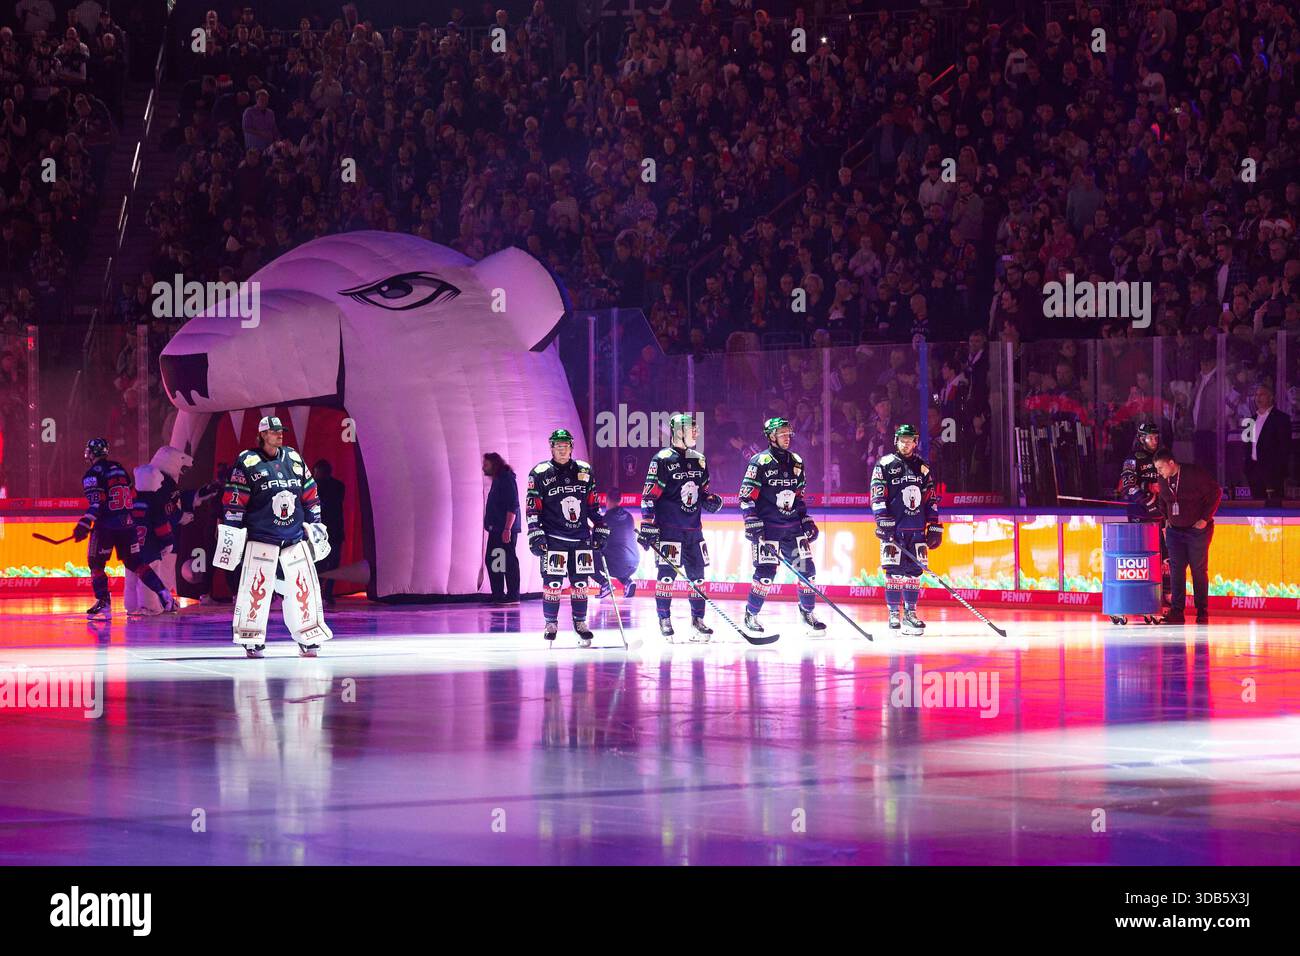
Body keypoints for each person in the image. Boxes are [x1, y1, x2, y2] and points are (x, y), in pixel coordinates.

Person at [213, 416, 333, 658]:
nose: (280, 435)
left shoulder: (295, 459)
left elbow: (310, 494)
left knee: (302, 588)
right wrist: (233, 531)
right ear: (262, 435)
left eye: (281, 431)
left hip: (294, 538)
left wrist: (316, 524)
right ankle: (252, 639)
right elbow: (234, 499)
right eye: (274, 431)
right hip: (261, 539)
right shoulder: (248, 461)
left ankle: (308, 637)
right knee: (256, 589)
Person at [637, 413, 723, 641]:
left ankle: (698, 620)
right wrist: (647, 523)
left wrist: (710, 500)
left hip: (694, 530)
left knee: (698, 578)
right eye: (691, 429)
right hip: (669, 530)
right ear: (677, 432)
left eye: (696, 429)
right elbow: (648, 496)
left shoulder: (699, 459)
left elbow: (702, 492)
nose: (696, 432)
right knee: (666, 577)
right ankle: (664, 619)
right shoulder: (662, 459)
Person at [738, 417, 825, 635]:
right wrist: (750, 520)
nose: (787, 437)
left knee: (808, 571)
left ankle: (807, 613)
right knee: (766, 574)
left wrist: (805, 519)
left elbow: (799, 496)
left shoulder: (796, 461)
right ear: (770, 436)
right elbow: (746, 496)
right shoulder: (760, 461)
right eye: (782, 433)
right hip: (769, 530)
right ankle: (751, 614)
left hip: (792, 528)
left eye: (788, 433)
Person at [75, 437, 178, 618]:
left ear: (92, 453)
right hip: (127, 525)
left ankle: (104, 602)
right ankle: (164, 594)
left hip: (106, 526)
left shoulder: (92, 474)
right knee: (137, 564)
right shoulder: (119, 468)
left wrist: (84, 523)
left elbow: (97, 503)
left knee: (96, 564)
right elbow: (132, 495)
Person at [525, 428, 607, 646]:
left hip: (580, 539)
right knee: (553, 583)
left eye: (566, 446)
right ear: (551, 448)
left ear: (572, 447)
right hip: (554, 539)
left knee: (580, 584)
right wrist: (535, 533)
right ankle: (550, 623)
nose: (562, 449)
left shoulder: (585, 470)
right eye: (558, 446)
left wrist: (600, 526)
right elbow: (532, 508)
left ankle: (580, 623)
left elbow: (593, 505)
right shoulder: (540, 472)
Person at [128, 445, 219, 614]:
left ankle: (137, 604)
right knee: (159, 572)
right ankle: (155, 604)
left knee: (137, 573)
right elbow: (165, 511)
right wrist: (179, 519)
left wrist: (197, 495)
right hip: (157, 542)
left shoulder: (143, 491)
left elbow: (173, 502)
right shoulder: (162, 483)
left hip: (137, 543)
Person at [870, 424, 941, 635]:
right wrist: (882, 520)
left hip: (917, 529)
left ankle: (910, 614)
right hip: (894, 530)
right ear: (896, 440)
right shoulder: (884, 464)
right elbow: (877, 495)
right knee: (893, 573)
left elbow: (930, 497)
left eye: (910, 440)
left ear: (915, 442)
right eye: (902, 439)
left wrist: (935, 524)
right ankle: (893, 614)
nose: (906, 443)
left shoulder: (922, 467)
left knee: (914, 574)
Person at [1153, 447, 1221, 625]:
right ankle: (1177, 611)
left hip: (1196, 530)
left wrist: (1205, 519)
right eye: (1157, 469)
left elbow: (1216, 493)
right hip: (1175, 531)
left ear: (1171, 463)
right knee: (1176, 570)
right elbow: (1162, 501)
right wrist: (1167, 520)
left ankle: (1202, 611)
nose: (1158, 472)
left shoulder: (1194, 473)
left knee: (1198, 570)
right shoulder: (1163, 479)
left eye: (1161, 468)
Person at [1119, 421, 1171, 609]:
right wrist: (1148, 492)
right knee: (1142, 556)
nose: (1154, 440)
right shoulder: (1133, 459)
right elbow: (1127, 487)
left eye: (1156, 437)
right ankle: (1140, 595)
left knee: (1166, 555)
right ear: (1141, 438)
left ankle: (1166, 595)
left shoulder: (1164, 455)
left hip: (1162, 514)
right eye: (1150, 437)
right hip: (1140, 515)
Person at [482, 451, 521, 605]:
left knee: (509, 561)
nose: (483, 468)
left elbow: (513, 505)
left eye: (486, 464)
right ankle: (498, 593)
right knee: (495, 560)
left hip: (503, 529)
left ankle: (513, 595)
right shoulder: (499, 479)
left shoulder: (506, 479)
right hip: (496, 529)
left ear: (494, 464)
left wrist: (507, 529)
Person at [1243, 385, 1292, 506]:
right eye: (1256, 395)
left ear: (1271, 398)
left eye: (1262, 394)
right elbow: (1247, 445)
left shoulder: (1281, 419)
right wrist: (1247, 467)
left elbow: (1284, 447)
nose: (1258, 398)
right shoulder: (1251, 420)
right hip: (1254, 470)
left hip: (1272, 471)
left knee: (1273, 506)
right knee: (1257, 504)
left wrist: (1278, 469)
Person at [313, 459, 346, 606]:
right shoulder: (315, 486)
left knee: (329, 563)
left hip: (330, 531)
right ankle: (321, 593)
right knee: (322, 563)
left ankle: (326, 594)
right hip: (322, 532)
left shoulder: (334, 486)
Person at [597, 485, 638, 598]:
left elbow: (599, 540)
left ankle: (604, 584)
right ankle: (627, 582)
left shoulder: (606, 518)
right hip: (634, 563)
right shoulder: (629, 516)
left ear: (606, 499)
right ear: (620, 499)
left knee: (588, 555)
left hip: (618, 564)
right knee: (617, 554)